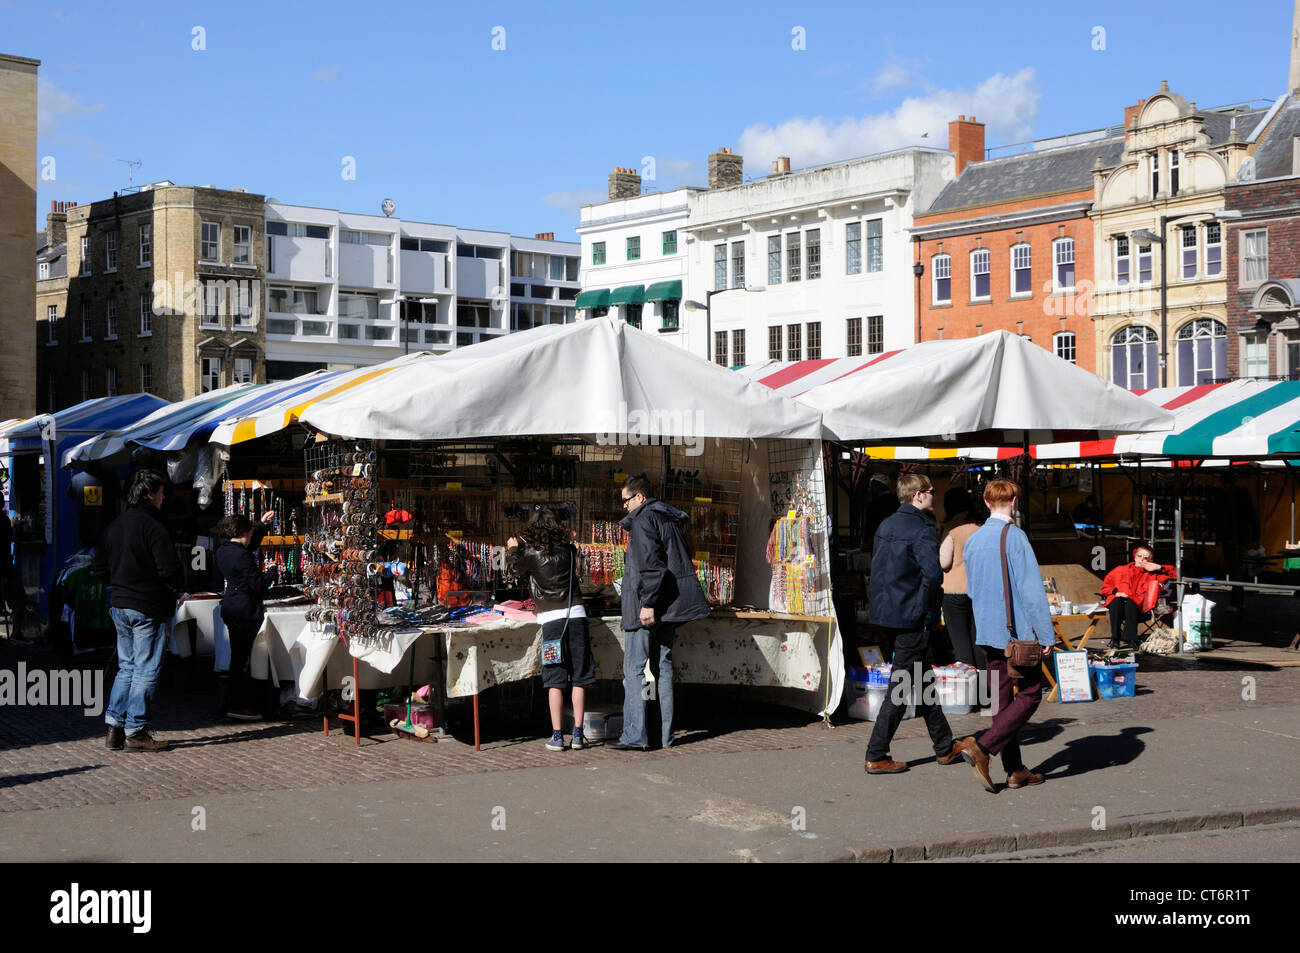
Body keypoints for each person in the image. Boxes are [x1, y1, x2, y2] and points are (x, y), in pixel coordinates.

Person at [864, 473, 969, 774]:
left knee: (922, 681)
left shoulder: (887, 524)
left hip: (890, 612)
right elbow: (933, 574)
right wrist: (930, 613)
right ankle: (876, 753)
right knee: (900, 687)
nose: (935, 495)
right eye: (932, 490)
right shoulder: (920, 527)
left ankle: (944, 746)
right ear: (919, 495)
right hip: (912, 613)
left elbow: (881, 570)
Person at [957, 479, 1056, 793]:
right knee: (1029, 694)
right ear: (1014, 502)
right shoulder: (1015, 537)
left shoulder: (973, 540)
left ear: (987, 503)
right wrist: (1046, 633)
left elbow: (972, 589)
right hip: (1017, 635)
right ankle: (984, 747)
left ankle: (1014, 770)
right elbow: (1032, 592)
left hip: (987, 630)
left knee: (1001, 700)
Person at [609, 474, 709, 751]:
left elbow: (653, 567)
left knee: (635, 670)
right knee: (662, 668)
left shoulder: (643, 520)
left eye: (626, 500)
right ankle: (665, 736)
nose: (624, 507)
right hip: (669, 607)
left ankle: (634, 734)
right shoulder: (668, 518)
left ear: (639, 497)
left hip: (647, 607)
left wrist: (647, 603)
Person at [92, 469, 181, 753]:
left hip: (120, 603)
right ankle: (136, 729)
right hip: (148, 606)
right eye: (161, 492)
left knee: (127, 666)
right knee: (145, 669)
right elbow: (169, 570)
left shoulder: (114, 526)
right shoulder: (154, 527)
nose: (164, 496)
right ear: (149, 494)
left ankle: (115, 726)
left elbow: (99, 568)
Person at [506, 505, 593, 751]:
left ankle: (557, 736)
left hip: (551, 622)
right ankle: (577, 734)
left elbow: (515, 570)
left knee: (555, 677)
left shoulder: (532, 554)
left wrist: (513, 549)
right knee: (579, 676)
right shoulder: (570, 550)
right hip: (576, 615)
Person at [213, 509, 276, 721]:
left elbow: (248, 544)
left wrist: (260, 524)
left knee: (238, 658)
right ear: (242, 533)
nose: (251, 537)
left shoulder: (223, 549)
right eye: (250, 533)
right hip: (244, 610)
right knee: (243, 660)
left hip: (232, 606)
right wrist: (271, 573)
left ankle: (234, 702)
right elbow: (257, 585)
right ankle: (239, 704)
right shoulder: (241, 555)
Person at [938, 486, 983, 669]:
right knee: (978, 642)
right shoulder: (981, 527)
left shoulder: (950, 530)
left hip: (954, 592)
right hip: (979, 590)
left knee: (960, 643)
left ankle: (969, 690)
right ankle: (987, 691)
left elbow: (944, 562)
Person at [1100, 545, 1176, 650]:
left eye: (1146, 558)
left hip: (1141, 609)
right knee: (1116, 601)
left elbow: (1176, 573)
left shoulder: (1154, 574)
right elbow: (1105, 587)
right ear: (1135, 557)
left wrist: (1159, 567)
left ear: (1151, 561)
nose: (1142, 559)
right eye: (1139, 556)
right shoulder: (1120, 570)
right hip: (1119, 605)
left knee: (1131, 601)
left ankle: (1131, 639)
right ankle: (1115, 639)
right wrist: (1115, 592)